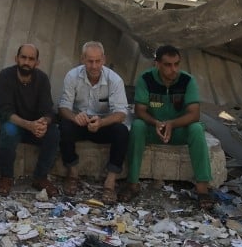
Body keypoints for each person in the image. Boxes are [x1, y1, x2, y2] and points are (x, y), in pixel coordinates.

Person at [122, 45, 212, 210]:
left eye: (177, 64)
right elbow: (139, 110)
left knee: (197, 129)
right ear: (157, 64)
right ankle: (132, 183)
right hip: (153, 129)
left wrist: (172, 124)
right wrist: (156, 122)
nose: (174, 69)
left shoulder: (187, 80)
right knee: (137, 125)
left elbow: (194, 114)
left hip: (177, 130)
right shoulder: (146, 79)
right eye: (168, 65)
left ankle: (202, 189)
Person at [57, 41, 130, 204]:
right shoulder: (72, 76)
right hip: (80, 123)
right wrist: (74, 117)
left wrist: (102, 122)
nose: (94, 65)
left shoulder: (114, 80)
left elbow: (121, 113)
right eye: (90, 61)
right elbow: (63, 107)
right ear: (83, 59)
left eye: (98, 61)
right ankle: (73, 173)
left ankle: (110, 181)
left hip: (103, 124)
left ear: (104, 59)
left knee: (122, 131)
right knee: (64, 126)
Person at [0, 43, 60, 197]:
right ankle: (6, 176)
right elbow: (5, 111)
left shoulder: (42, 79)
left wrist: (43, 123)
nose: (26, 62)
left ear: (37, 62)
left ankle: (40, 177)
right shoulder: (5, 76)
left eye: (31, 59)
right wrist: (28, 125)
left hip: (34, 127)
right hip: (16, 124)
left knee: (54, 133)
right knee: (8, 129)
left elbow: (48, 110)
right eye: (23, 57)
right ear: (16, 58)